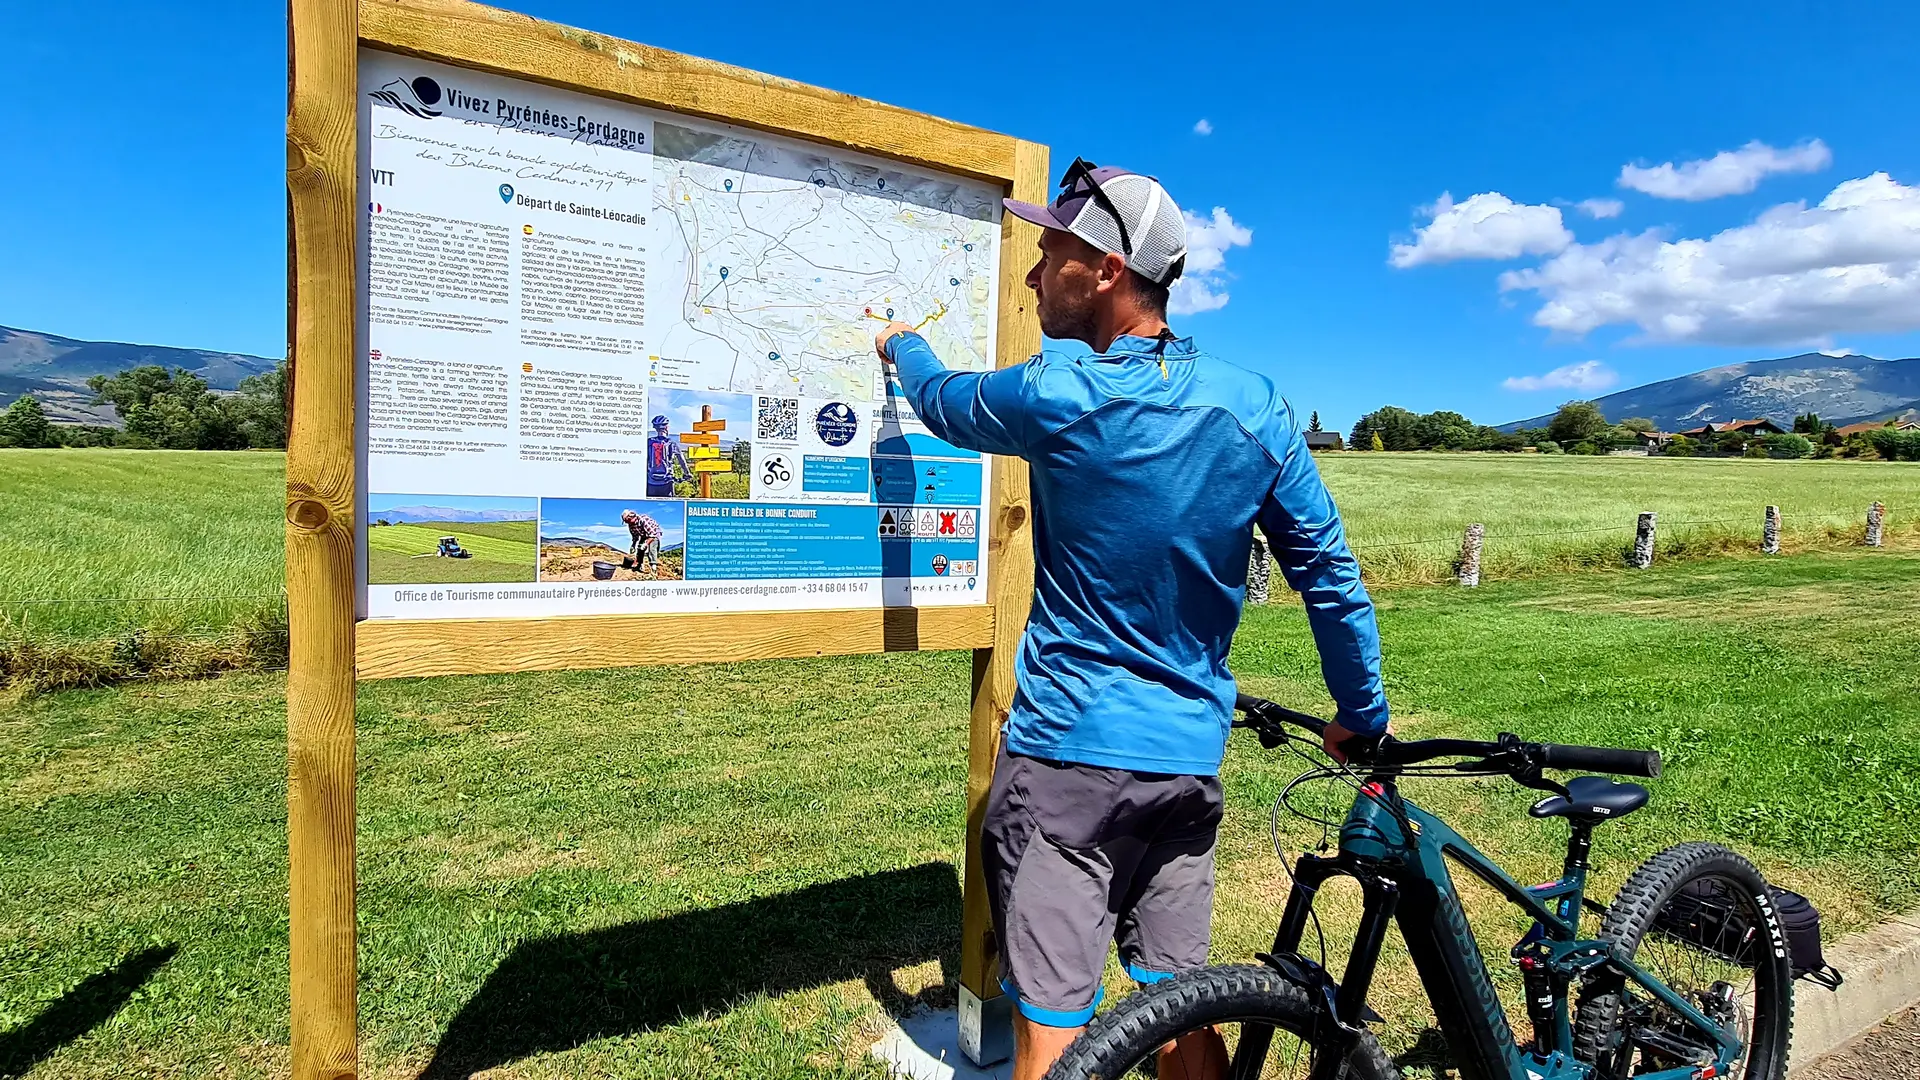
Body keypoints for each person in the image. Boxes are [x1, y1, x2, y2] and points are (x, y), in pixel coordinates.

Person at [873, 160, 1391, 1080]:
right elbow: (1330, 575)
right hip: (1187, 766)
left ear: (1107, 269)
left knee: (1055, 1025)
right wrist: (1364, 716)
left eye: (1051, 252)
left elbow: (942, 401)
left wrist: (903, 344)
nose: (1035, 273)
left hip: (1068, 762)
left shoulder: (1058, 394)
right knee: (1180, 1007)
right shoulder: (1257, 405)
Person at [646, 413, 691, 497]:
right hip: (666, 482)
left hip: (651, 482)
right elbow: (682, 461)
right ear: (666, 428)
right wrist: (687, 473)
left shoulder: (649, 442)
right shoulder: (671, 443)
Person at [621, 508, 663, 577]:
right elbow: (635, 536)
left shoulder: (643, 520)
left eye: (626, 520)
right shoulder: (631, 525)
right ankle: (640, 565)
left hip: (654, 533)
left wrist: (646, 544)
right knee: (640, 548)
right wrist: (633, 545)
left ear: (630, 517)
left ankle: (653, 568)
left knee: (652, 549)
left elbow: (652, 534)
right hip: (644, 534)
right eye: (625, 521)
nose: (626, 523)